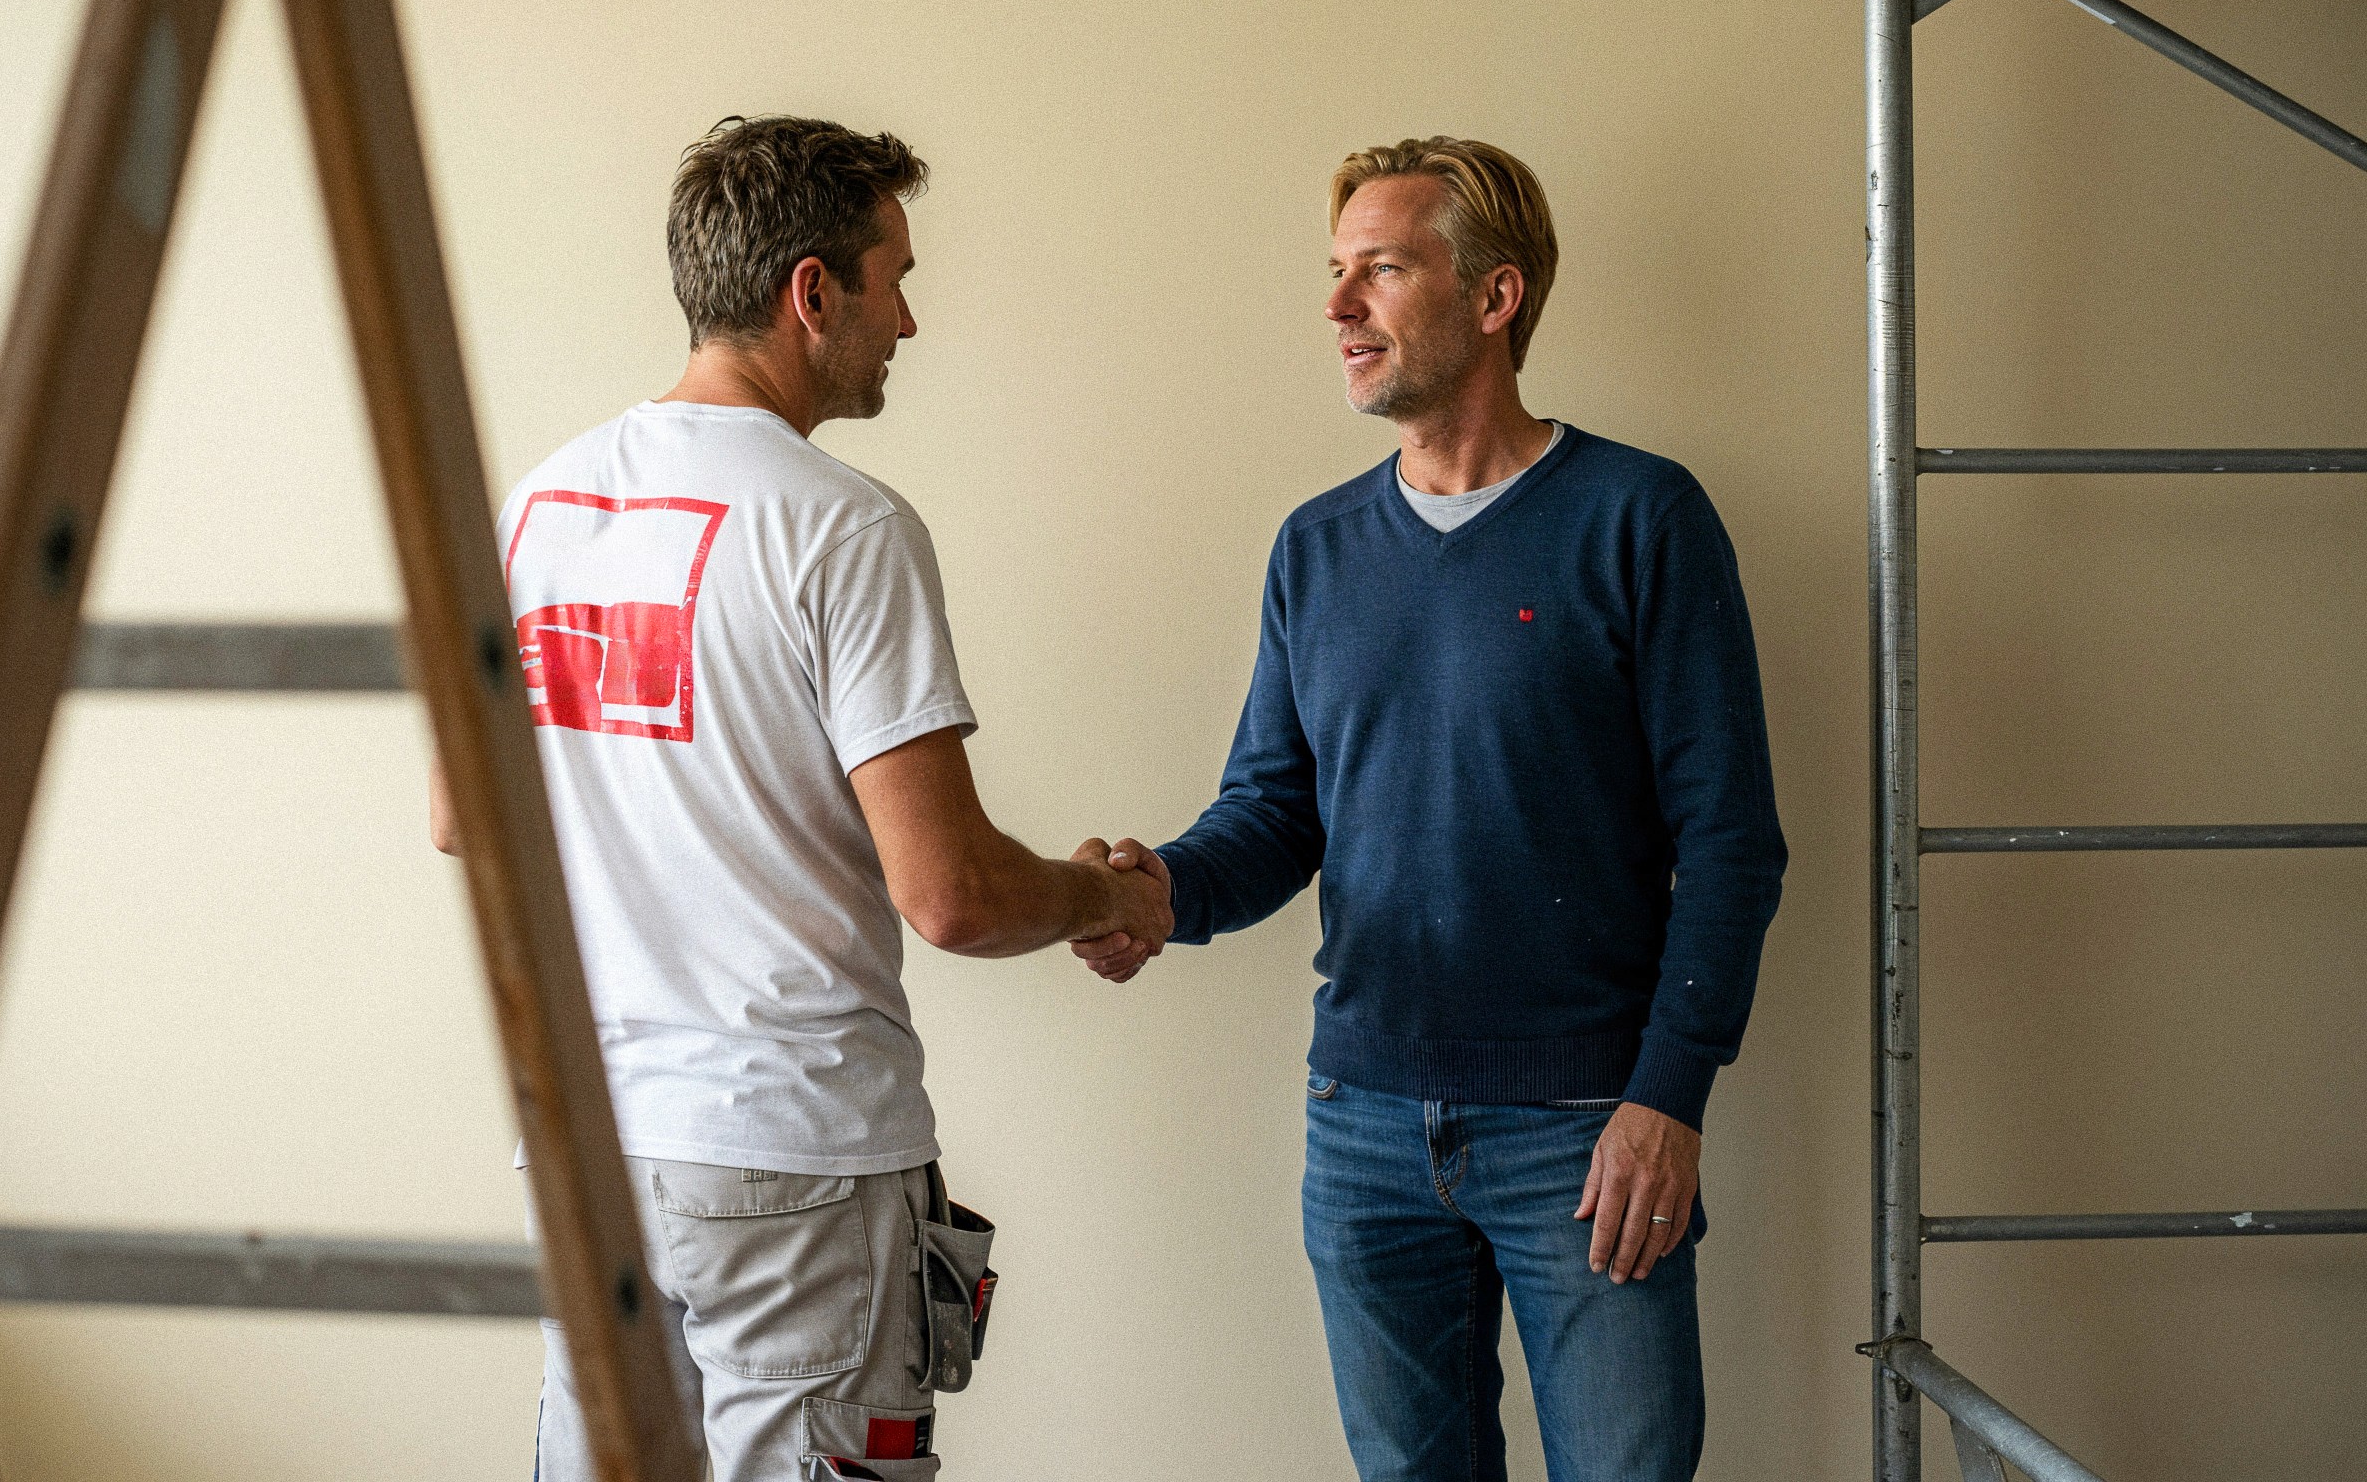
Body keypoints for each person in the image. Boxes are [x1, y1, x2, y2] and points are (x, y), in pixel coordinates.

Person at [432, 115, 1172, 1482]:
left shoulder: (539, 509)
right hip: (792, 1166)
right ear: (811, 293)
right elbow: (950, 896)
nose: (910, 317)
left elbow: (456, 816)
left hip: (590, 1138)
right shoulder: (844, 528)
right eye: (892, 275)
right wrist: (1108, 896)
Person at [1075, 138, 1785, 1482]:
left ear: (1494, 296)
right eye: (1336, 275)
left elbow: (1734, 842)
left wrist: (1668, 1097)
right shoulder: (1318, 548)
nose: (1338, 306)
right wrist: (1156, 893)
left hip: (1588, 1128)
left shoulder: (1643, 517)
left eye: (1381, 270)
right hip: (1364, 1125)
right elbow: (1275, 814)